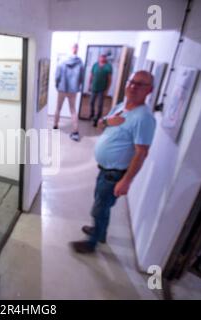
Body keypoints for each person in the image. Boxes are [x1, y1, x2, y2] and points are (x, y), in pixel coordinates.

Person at [71, 70, 156, 254]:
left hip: (115, 174)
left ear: (149, 90)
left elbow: (142, 153)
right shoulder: (120, 106)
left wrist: (126, 181)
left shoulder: (144, 118)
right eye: (131, 81)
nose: (133, 86)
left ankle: (91, 243)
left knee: (99, 208)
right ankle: (100, 233)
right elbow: (101, 123)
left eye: (140, 84)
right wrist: (108, 121)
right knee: (102, 204)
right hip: (105, 170)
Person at [54, 43, 84, 142]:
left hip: (62, 88)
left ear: (71, 48)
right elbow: (81, 78)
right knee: (73, 110)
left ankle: (55, 126)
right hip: (73, 90)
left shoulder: (62, 61)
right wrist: (77, 86)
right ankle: (75, 132)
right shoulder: (80, 62)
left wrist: (57, 85)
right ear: (77, 49)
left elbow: (57, 76)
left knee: (58, 108)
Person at [88, 54, 112, 127]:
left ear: (105, 58)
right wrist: (89, 85)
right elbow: (91, 75)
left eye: (104, 57)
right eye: (101, 56)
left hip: (102, 89)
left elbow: (109, 79)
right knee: (91, 102)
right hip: (94, 87)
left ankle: (97, 119)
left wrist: (107, 90)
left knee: (100, 105)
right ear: (99, 57)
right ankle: (92, 114)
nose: (102, 58)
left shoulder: (108, 66)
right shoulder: (95, 65)